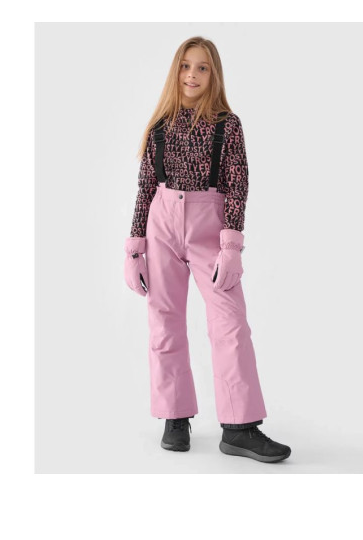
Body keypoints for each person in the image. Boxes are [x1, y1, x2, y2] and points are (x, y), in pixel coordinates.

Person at [124, 36, 291, 463]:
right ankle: (174, 416)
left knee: (230, 325)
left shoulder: (226, 125)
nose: (192, 75)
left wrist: (231, 245)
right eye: (185, 66)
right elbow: (145, 188)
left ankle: (239, 427)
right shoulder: (160, 126)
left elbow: (237, 185)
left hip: (208, 228)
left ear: (213, 74)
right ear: (175, 71)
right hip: (162, 224)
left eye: (202, 67)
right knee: (164, 321)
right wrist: (135, 249)